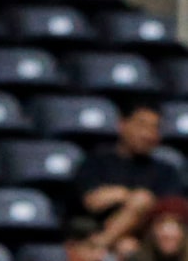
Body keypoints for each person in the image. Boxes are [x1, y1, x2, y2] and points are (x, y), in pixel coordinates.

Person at [75, 98, 186, 250]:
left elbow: (170, 212)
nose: (147, 134)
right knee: (127, 244)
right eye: (141, 125)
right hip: (97, 231)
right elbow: (93, 201)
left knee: (131, 242)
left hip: (149, 243)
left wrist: (127, 200)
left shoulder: (166, 171)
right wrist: (129, 196)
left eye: (154, 128)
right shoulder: (97, 161)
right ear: (122, 124)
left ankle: (96, 247)